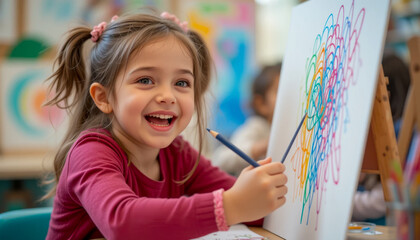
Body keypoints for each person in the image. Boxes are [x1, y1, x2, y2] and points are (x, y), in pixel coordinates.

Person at [43, 10, 288, 240]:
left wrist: (263, 196)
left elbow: (256, 207)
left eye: (181, 83)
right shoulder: (91, 152)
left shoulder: (177, 154)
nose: (167, 96)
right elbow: (122, 223)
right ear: (104, 98)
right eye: (146, 80)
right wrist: (230, 206)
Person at [351, 52, 411, 224]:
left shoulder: (398, 134)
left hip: (385, 222)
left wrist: (347, 204)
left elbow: (389, 197)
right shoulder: (387, 129)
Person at [212, 63, 281, 176]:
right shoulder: (257, 126)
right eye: (278, 91)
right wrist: (259, 148)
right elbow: (220, 159)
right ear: (261, 104)